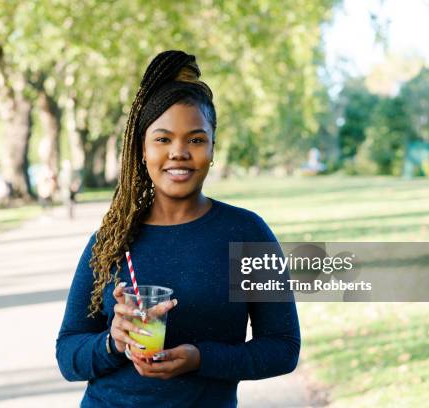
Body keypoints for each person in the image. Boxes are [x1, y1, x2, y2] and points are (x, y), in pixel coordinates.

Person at [56, 50, 300, 407]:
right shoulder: (112, 240)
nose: (179, 152)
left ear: (213, 147)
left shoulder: (246, 234)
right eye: (162, 139)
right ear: (142, 149)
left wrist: (201, 358)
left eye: (196, 140)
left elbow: (282, 347)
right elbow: (68, 354)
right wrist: (113, 342)